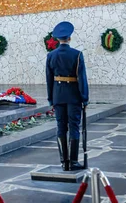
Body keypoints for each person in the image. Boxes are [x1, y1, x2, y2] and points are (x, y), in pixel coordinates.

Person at [46, 21, 89, 171]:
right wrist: (85, 98)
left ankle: (64, 162)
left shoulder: (51, 55)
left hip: (58, 96)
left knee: (61, 127)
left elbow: (49, 79)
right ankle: (74, 161)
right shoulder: (77, 55)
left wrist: (51, 98)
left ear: (58, 39)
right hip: (73, 96)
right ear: (69, 38)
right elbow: (81, 78)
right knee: (74, 127)